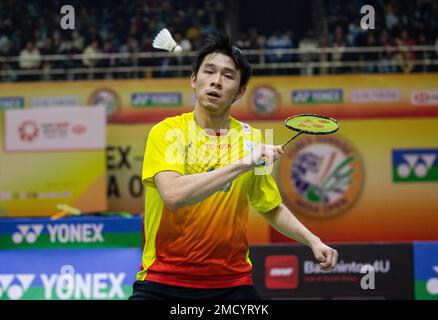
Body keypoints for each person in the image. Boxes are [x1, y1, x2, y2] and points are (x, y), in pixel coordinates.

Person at [129, 33, 338, 300]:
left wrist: (313, 240)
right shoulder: (168, 132)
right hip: (163, 281)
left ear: (239, 92)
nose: (216, 81)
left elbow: (270, 205)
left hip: (231, 283)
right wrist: (244, 163)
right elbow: (173, 195)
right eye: (209, 72)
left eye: (228, 76)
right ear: (194, 79)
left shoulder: (253, 139)